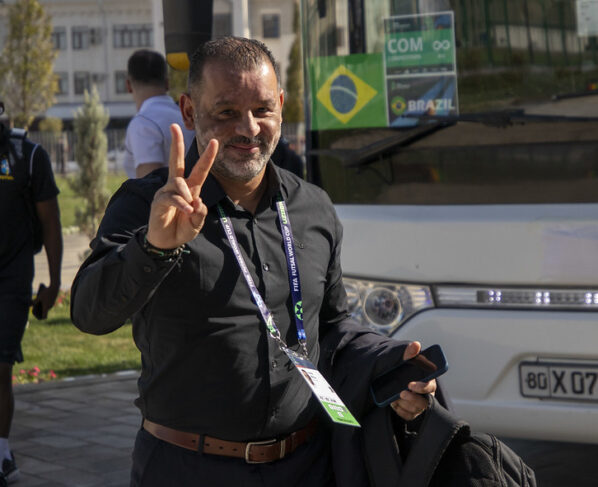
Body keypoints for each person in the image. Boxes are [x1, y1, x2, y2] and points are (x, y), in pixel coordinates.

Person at [70, 37, 437, 486]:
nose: (248, 129)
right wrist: (153, 247)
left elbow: (333, 328)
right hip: (188, 469)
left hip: (307, 464)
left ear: (281, 104)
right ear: (189, 112)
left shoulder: (313, 208)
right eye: (226, 112)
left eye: (263, 109)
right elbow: (89, 313)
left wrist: (393, 364)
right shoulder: (148, 206)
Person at [0, 102, 63, 486]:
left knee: (0, 367)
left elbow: (50, 221)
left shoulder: (28, 155)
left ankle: (1, 452)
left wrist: (55, 283)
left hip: (11, 277)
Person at [123, 49, 194, 179]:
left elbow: (148, 186)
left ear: (128, 85)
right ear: (167, 83)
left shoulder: (143, 124)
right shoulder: (187, 116)